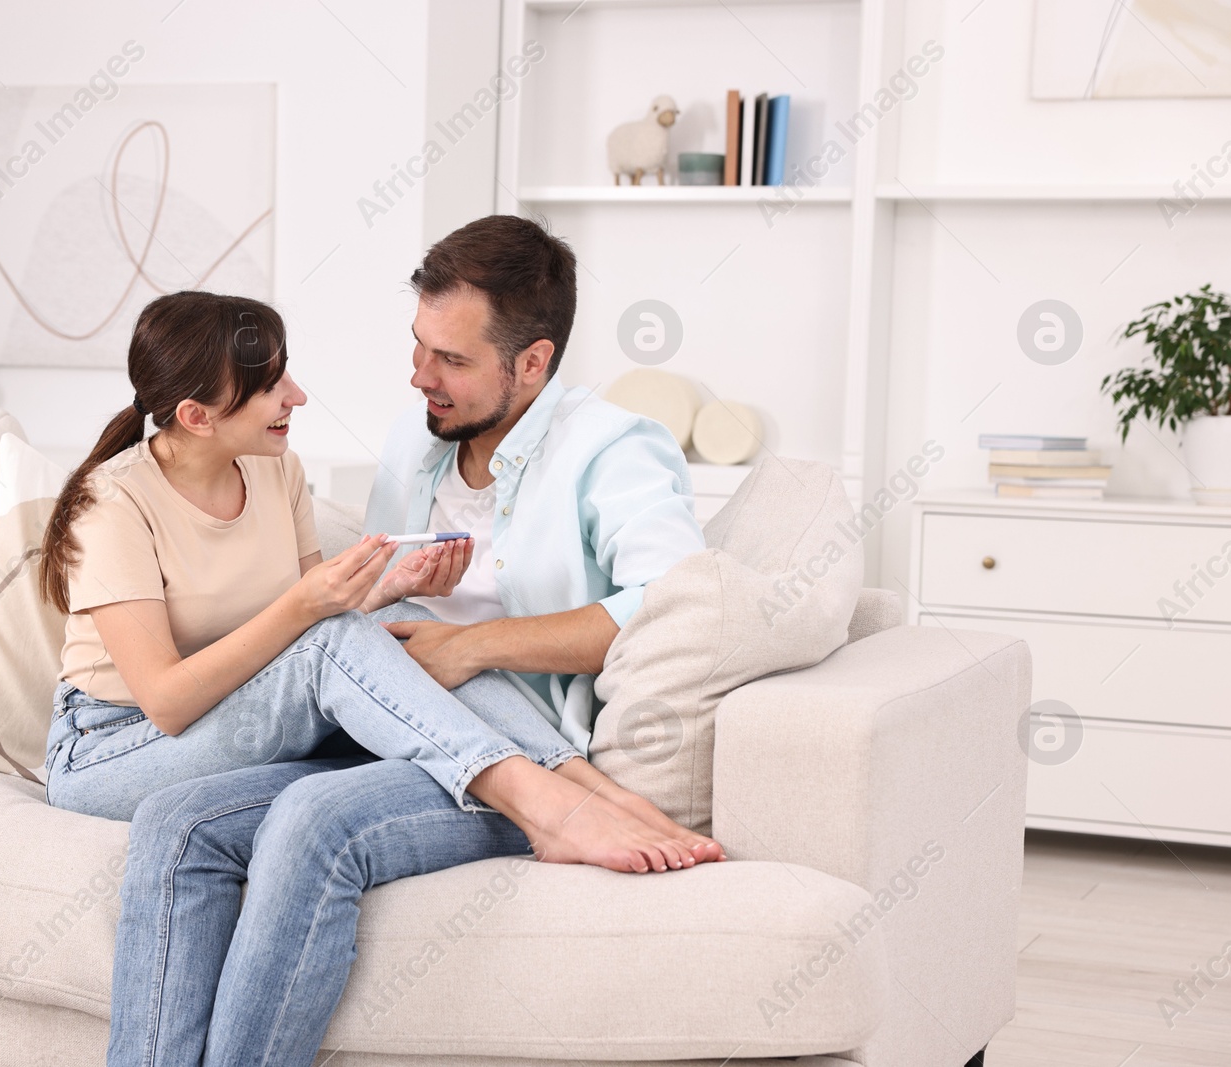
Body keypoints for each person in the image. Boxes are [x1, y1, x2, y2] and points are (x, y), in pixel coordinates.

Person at [106, 216, 720, 1067]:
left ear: (533, 361)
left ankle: (559, 795)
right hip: (383, 730)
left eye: (453, 361)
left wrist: (475, 646)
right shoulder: (417, 437)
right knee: (175, 820)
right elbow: (364, 623)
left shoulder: (613, 450)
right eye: (420, 347)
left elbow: (672, 608)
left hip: (507, 746)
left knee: (310, 819)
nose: (419, 376)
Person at [38, 288, 716, 875]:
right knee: (345, 638)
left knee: (429, 638)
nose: (296, 396)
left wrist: (389, 588)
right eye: (272, 386)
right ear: (197, 416)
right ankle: (539, 805)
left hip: (235, 710)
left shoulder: (275, 467)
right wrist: (313, 605)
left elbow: (319, 627)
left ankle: (596, 790)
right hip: (113, 747)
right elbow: (166, 699)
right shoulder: (114, 503)